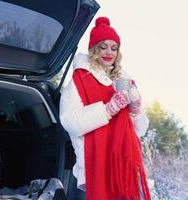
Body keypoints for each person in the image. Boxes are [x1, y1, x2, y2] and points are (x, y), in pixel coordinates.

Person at [59, 16, 152, 200]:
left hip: (122, 171)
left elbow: (138, 132)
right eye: (103, 46)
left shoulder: (123, 81)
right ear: (94, 49)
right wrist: (107, 109)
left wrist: (134, 111)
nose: (109, 52)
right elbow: (70, 121)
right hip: (93, 171)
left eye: (114, 48)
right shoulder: (80, 80)